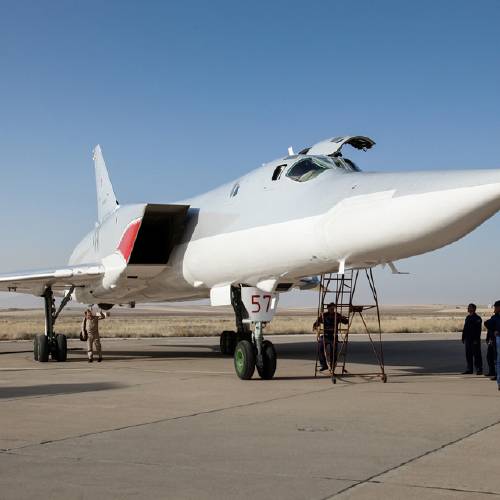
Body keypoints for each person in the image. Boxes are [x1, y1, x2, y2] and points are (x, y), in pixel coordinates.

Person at [313, 302, 349, 372]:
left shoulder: (337, 315)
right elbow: (317, 323)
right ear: (328, 308)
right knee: (320, 347)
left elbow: (346, 322)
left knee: (334, 351)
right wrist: (315, 325)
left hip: (333, 336)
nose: (332, 310)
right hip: (325, 335)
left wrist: (344, 318)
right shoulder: (324, 315)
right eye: (331, 308)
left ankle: (332, 366)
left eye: (333, 308)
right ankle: (324, 365)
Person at [461, 303, 483, 375]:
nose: (468, 308)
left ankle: (479, 369)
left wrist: (476, 339)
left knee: (476, 355)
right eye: (468, 307)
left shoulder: (477, 318)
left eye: (469, 307)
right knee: (468, 354)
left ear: (473, 309)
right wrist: (463, 337)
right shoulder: (467, 317)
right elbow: (465, 328)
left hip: (474, 340)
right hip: (468, 339)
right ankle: (469, 369)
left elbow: (478, 330)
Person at [485, 300, 500, 390]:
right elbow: (486, 323)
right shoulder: (495, 317)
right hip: (496, 340)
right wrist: (494, 331)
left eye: (496, 307)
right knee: (497, 360)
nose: (494, 308)